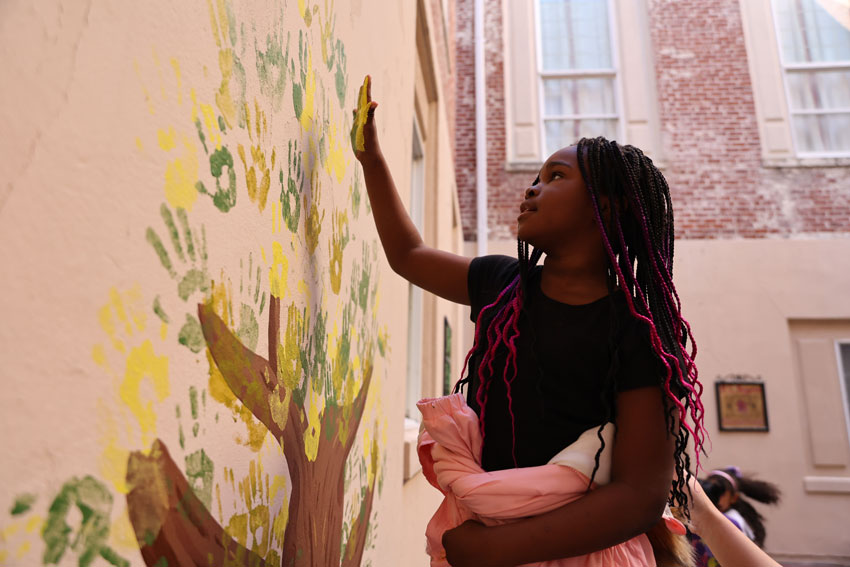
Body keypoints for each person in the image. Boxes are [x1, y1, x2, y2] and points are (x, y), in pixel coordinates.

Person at [351, 77, 707, 566]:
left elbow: (639, 494)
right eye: (536, 176)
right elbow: (408, 254)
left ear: (607, 206)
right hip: (484, 534)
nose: (532, 188)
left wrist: (497, 549)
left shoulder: (639, 332)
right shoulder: (503, 283)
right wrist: (372, 160)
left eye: (555, 177)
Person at [690, 467, 781, 566]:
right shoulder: (705, 516)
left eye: (719, 492)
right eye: (710, 489)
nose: (713, 495)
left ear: (734, 498)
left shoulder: (733, 520)